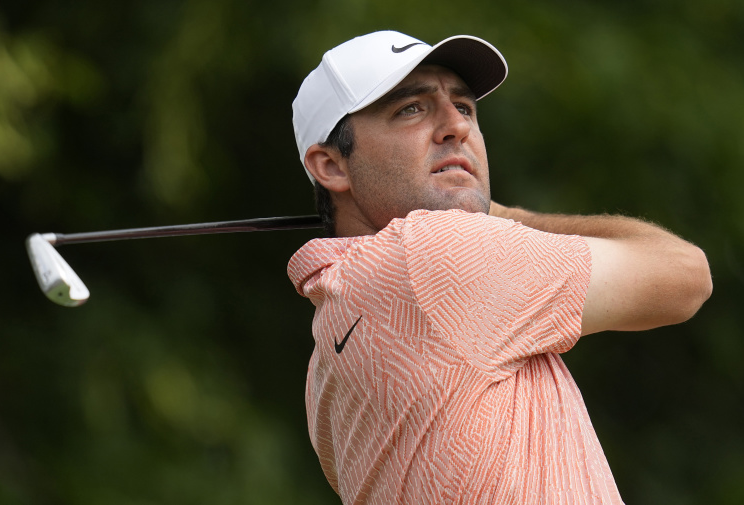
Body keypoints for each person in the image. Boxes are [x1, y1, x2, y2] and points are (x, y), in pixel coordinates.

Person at [287, 30, 712, 504]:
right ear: (331, 166)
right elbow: (685, 275)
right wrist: (514, 217)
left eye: (465, 108)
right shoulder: (435, 253)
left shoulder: (324, 372)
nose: (456, 126)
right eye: (412, 108)